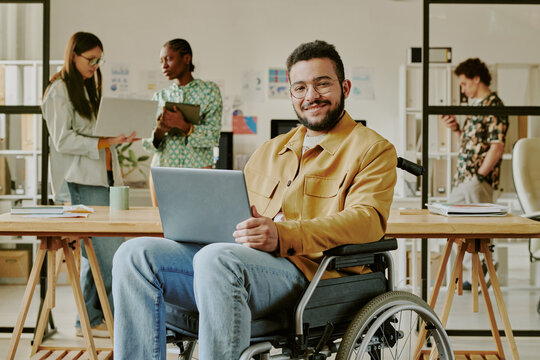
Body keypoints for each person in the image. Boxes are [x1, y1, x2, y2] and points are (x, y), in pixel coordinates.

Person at [112, 40, 397, 359]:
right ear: (291, 95)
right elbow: (234, 212)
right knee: (134, 253)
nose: (311, 96)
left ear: (344, 87)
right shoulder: (270, 150)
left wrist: (284, 234)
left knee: (216, 259)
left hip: (311, 276)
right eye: (300, 88)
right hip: (237, 264)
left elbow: (368, 222)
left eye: (322, 84)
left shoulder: (372, 149)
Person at [42, 32, 137, 337]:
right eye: (91, 59)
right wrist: (106, 141)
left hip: (104, 178)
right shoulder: (58, 90)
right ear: (74, 56)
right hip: (81, 180)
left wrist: (117, 138)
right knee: (105, 256)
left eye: (99, 60)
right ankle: (96, 320)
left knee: (100, 255)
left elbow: (97, 136)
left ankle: (91, 319)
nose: (96, 65)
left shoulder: (87, 88)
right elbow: (62, 140)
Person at [442, 58, 508, 290]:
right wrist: (457, 129)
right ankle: (478, 275)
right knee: (471, 231)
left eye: (463, 83)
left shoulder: (493, 106)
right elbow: (469, 145)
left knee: (461, 223)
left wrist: (479, 176)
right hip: (467, 178)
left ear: (476, 79)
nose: (462, 89)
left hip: (476, 181)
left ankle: (487, 266)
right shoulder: (476, 106)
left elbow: (497, 146)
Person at [142, 38, 223, 206]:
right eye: (161, 61)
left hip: (198, 172)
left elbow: (213, 137)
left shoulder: (209, 91)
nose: (164, 65)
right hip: (162, 172)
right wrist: (159, 130)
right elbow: (147, 145)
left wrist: (185, 126)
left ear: (186, 59)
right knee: (160, 226)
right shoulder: (159, 97)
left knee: (199, 224)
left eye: (169, 59)